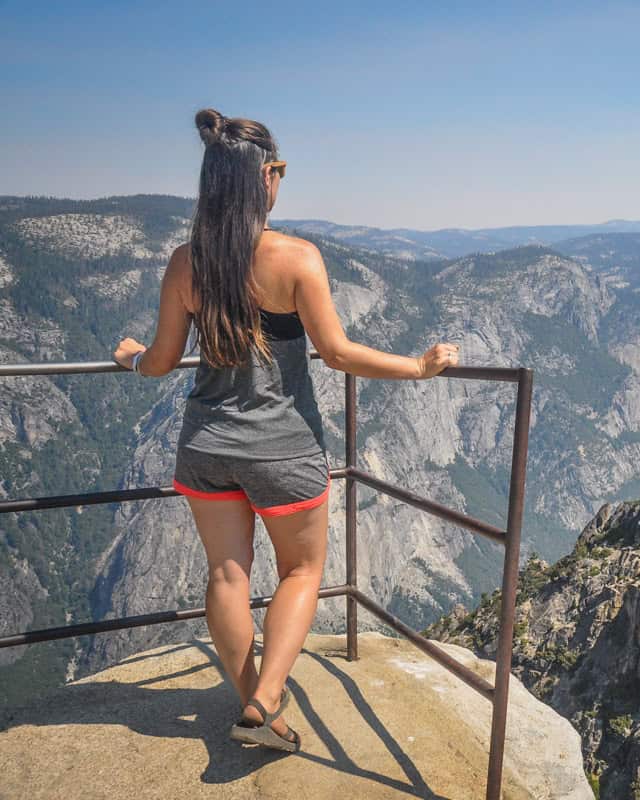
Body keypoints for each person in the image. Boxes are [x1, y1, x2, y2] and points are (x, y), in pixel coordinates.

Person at [112, 108, 459, 753]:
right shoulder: (295, 258)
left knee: (226, 576)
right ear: (264, 178)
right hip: (284, 447)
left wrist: (127, 356)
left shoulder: (186, 262)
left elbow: (159, 363)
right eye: (280, 171)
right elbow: (338, 352)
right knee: (301, 571)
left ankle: (253, 706)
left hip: (206, 445)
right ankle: (269, 695)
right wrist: (417, 366)